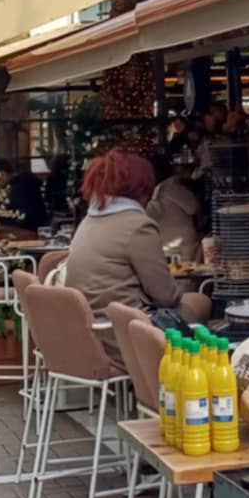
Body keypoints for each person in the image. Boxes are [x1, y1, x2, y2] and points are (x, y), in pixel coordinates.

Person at [63, 148, 213, 361]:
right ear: (141, 188)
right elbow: (166, 296)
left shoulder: (87, 222)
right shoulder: (136, 225)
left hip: (93, 335)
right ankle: (188, 374)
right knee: (200, 301)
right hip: (130, 335)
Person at [148, 148, 205, 256]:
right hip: (180, 242)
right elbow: (192, 207)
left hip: (171, 241)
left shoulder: (162, 188)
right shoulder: (170, 186)